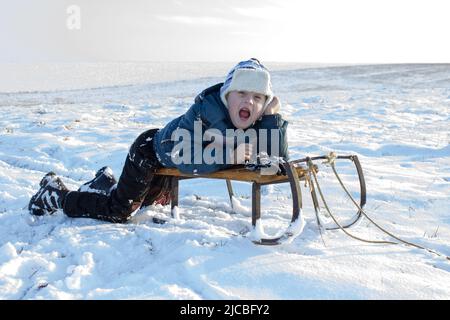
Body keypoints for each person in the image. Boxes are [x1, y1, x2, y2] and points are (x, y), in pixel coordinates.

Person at [28, 58, 289, 223]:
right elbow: (184, 157)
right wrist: (226, 156)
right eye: (241, 93)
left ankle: (103, 182)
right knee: (120, 210)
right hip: (150, 152)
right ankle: (56, 195)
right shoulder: (203, 112)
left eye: (258, 97)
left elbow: (273, 162)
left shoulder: (257, 118)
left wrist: (271, 118)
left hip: (167, 162)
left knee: (148, 202)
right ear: (226, 96)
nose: (249, 101)